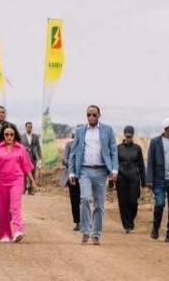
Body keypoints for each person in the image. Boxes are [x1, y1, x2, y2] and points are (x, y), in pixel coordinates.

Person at [68, 104, 118, 246]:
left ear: (99, 116)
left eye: (94, 115)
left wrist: (114, 170)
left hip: (101, 171)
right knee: (84, 198)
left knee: (99, 204)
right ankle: (85, 231)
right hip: (84, 170)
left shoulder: (107, 130)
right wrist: (72, 172)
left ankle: (96, 234)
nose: (91, 117)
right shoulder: (80, 131)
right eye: (88, 115)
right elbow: (73, 153)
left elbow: (113, 151)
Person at [0, 123, 36, 243]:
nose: (9, 137)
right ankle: (4, 233)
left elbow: (26, 167)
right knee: (3, 208)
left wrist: (32, 182)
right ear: (3, 135)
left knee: (15, 206)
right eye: (7, 134)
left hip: (17, 180)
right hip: (1, 181)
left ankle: (18, 231)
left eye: (11, 134)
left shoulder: (21, 148)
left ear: (15, 135)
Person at [116, 125, 146, 233]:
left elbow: (141, 165)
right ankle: (126, 225)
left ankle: (131, 219)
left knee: (133, 201)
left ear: (133, 135)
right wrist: (111, 179)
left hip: (134, 178)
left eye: (130, 136)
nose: (128, 137)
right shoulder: (118, 148)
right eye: (127, 135)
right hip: (121, 178)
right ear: (124, 135)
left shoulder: (137, 148)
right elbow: (114, 164)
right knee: (123, 202)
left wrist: (144, 181)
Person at [59, 131, 81, 230]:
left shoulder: (88, 145)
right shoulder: (69, 145)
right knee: (75, 199)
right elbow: (64, 159)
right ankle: (77, 222)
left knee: (85, 199)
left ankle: (86, 221)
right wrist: (73, 164)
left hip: (85, 175)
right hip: (72, 175)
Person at [22, 121, 42, 194]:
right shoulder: (22, 136)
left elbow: (38, 147)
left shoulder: (35, 136)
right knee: (24, 173)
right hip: (24, 157)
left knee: (32, 173)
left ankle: (31, 189)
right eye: (28, 127)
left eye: (31, 127)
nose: (29, 128)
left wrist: (39, 158)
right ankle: (23, 188)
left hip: (33, 157)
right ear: (25, 127)